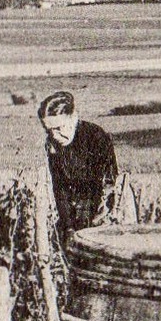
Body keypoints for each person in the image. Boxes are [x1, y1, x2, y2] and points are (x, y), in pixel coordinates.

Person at [37, 90, 118, 245]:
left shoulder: (95, 137)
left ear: (73, 117)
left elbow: (107, 184)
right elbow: (59, 187)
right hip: (72, 213)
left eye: (59, 128)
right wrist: (68, 227)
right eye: (48, 130)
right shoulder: (53, 144)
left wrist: (90, 223)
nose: (54, 135)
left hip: (101, 212)